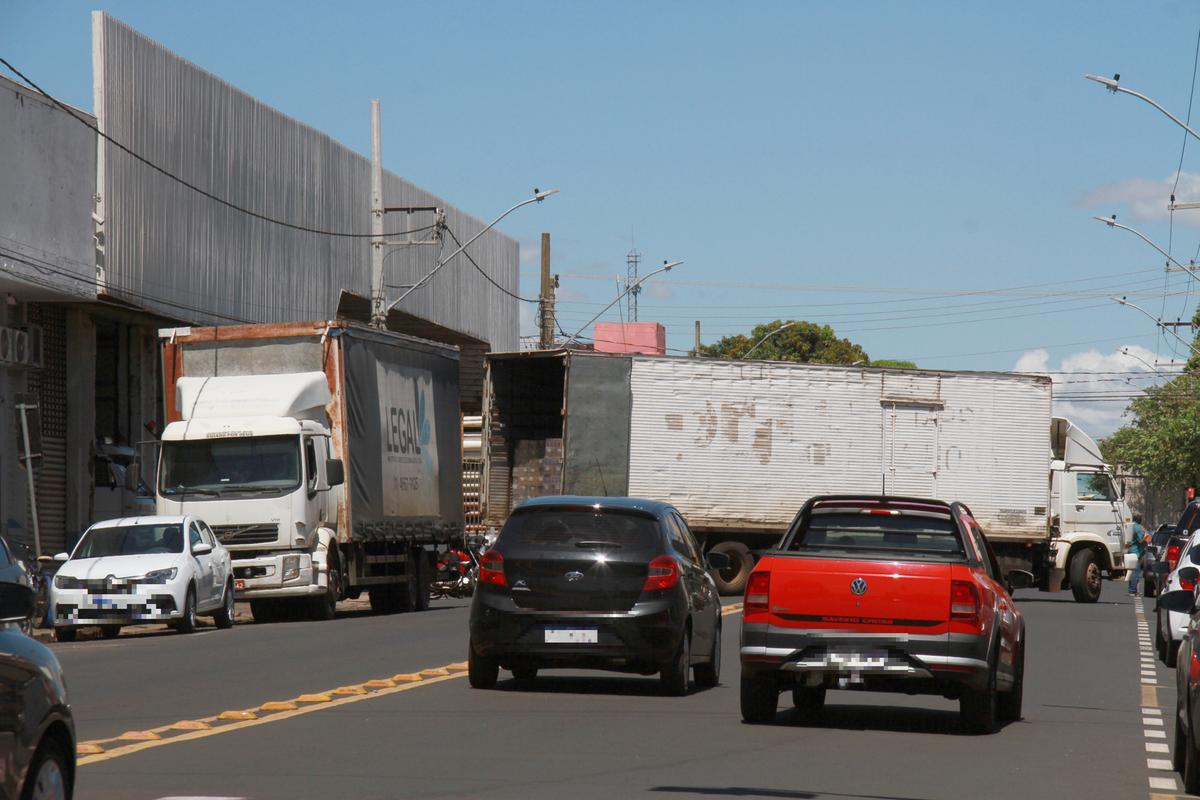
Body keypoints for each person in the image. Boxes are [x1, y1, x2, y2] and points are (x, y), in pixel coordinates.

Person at [1128, 513, 1149, 596]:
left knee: (1131, 571)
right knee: (1136, 572)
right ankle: (1132, 590)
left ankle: (1131, 589)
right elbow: (1140, 540)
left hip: (1130, 550)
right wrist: (1146, 536)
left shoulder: (1130, 526)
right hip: (1136, 552)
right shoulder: (1138, 528)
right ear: (1139, 519)